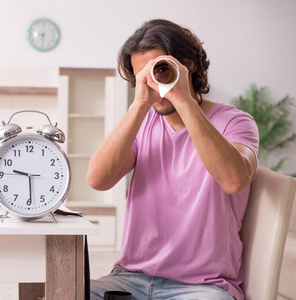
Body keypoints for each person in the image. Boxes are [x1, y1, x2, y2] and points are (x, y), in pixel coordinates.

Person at [87, 19, 259, 300]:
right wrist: (139, 103)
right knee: (66, 292)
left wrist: (184, 100)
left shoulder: (235, 122)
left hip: (203, 286)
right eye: (142, 75)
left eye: (161, 70)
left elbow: (234, 180)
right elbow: (98, 179)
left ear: (188, 64)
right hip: (132, 279)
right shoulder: (142, 123)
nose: (153, 82)